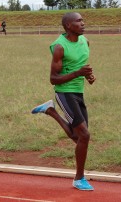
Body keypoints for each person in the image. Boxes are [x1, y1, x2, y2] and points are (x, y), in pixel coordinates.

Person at [31, 12, 96, 191]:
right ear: (68, 25)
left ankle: (50, 111)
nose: (83, 23)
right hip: (64, 92)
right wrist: (78, 74)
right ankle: (79, 178)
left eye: (83, 19)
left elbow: (82, 64)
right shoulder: (59, 46)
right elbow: (53, 78)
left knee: (78, 137)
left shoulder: (85, 41)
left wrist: (89, 75)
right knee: (84, 135)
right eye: (79, 21)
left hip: (78, 92)